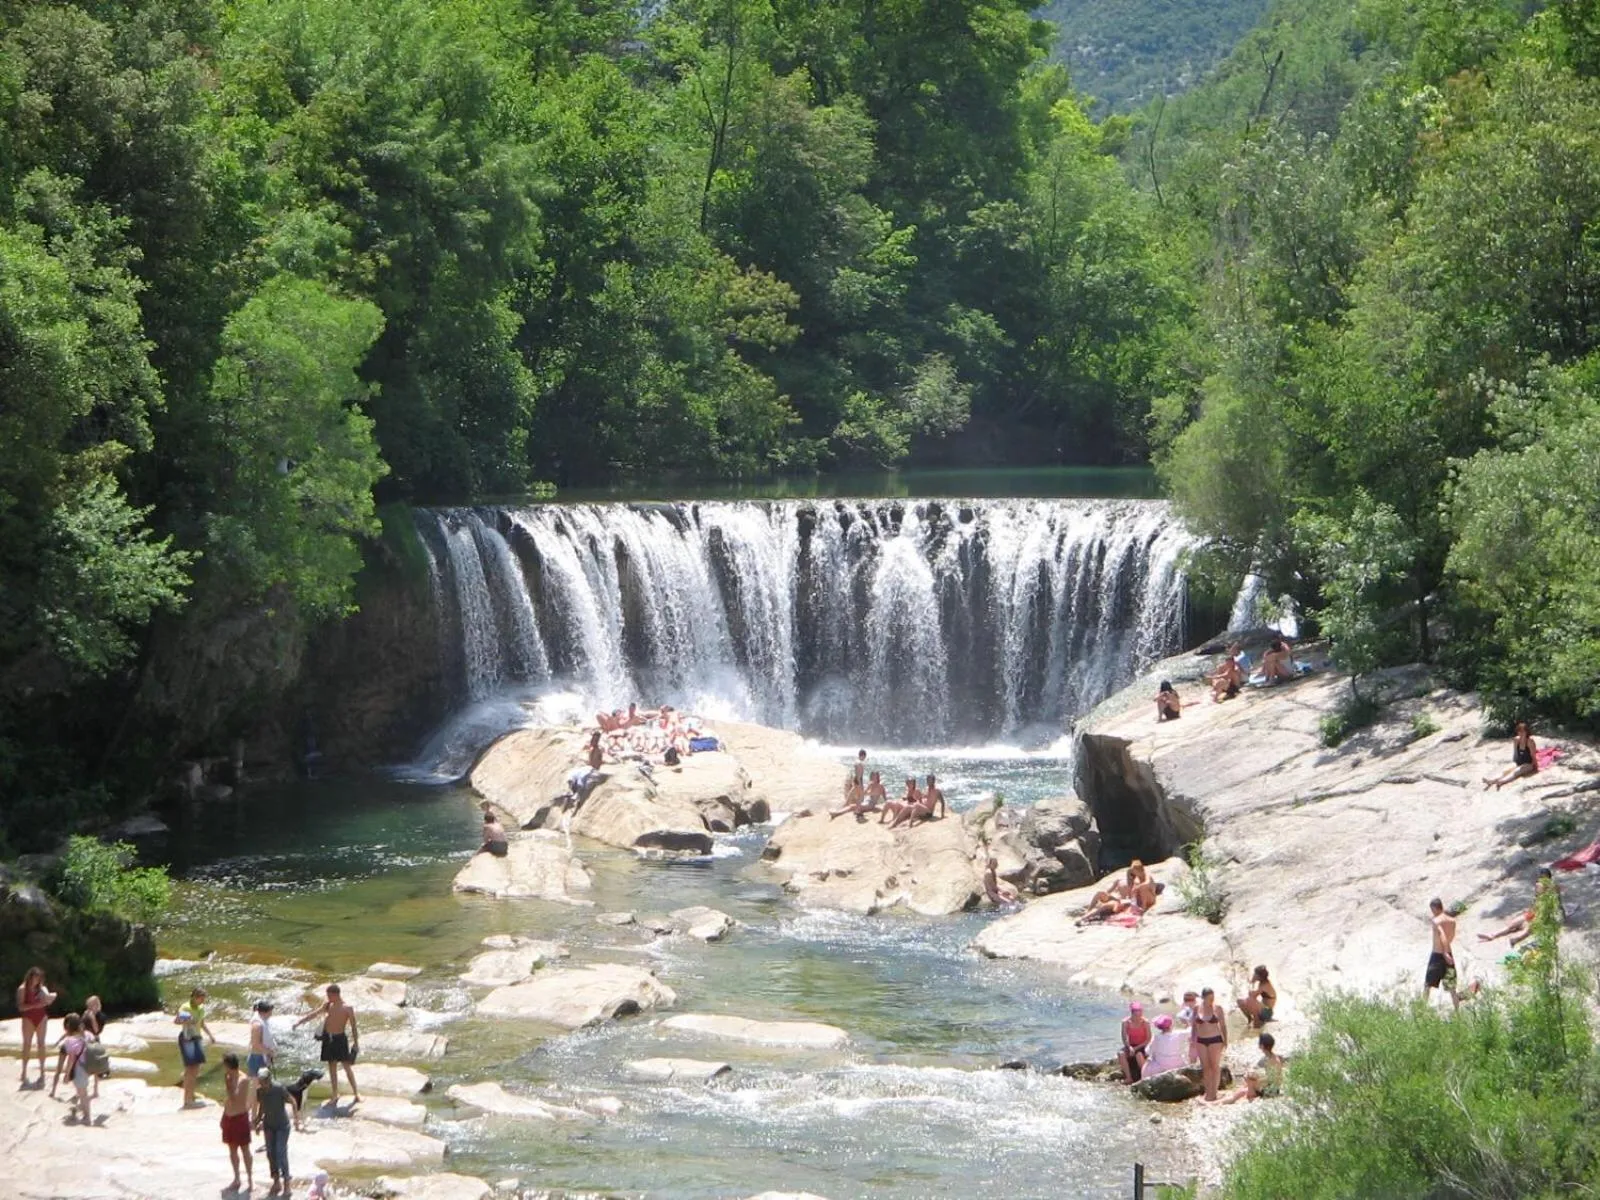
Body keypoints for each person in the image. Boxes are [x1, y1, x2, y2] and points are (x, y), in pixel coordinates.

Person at [296, 983, 360, 1106]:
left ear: (336, 994)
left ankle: (356, 1093)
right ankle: (335, 1095)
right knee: (332, 1068)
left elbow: (354, 1027)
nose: (328, 997)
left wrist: (356, 1043)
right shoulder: (328, 1005)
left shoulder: (347, 1008)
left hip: (340, 1039)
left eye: (329, 995)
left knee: (347, 1067)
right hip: (328, 1039)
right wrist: (300, 1022)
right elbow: (315, 1014)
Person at [1478, 868, 1560, 946]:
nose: (1537, 885)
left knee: (1529, 929)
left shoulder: (1552, 890)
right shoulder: (1539, 888)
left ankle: (1516, 939)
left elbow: (1553, 906)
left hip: (1542, 915)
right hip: (1531, 913)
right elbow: (1535, 903)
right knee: (1512, 924)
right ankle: (1492, 935)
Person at [253, 1067, 293, 1197]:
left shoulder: (279, 1088)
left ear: (269, 1079)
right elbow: (262, 1108)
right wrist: (257, 1121)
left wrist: (297, 1119)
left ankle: (287, 1182)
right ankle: (276, 1181)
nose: (262, 1083)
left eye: (264, 1080)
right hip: (269, 1125)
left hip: (282, 1125)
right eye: (260, 1081)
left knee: (280, 1151)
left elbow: (292, 1101)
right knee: (270, 1153)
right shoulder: (260, 1092)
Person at [16, 966, 56, 1088]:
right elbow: (21, 1007)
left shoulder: (42, 988)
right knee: (27, 1044)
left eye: (39, 978)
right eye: (35, 978)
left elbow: (48, 998)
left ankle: (42, 1072)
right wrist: (35, 1005)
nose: (37, 981)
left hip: (41, 1017)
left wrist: (49, 998)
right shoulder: (23, 989)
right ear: (30, 977)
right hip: (28, 1017)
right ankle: (24, 1071)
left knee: (41, 1044)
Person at [220, 1053, 254, 1194]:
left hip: (239, 1118)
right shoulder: (229, 1077)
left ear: (229, 1065)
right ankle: (237, 1178)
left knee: (245, 1150)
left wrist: (229, 1085)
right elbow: (229, 1101)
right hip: (229, 1117)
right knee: (232, 1150)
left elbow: (234, 1098)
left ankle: (250, 1179)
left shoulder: (243, 1079)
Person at [177, 987, 216, 1108]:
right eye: (201, 998)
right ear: (194, 997)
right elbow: (177, 1021)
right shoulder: (185, 1007)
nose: (202, 1001)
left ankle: (191, 1093)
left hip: (197, 1038)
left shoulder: (201, 1008)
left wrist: (210, 1035)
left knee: (196, 1067)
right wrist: (186, 1020)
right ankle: (187, 1099)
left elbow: (202, 1023)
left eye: (203, 999)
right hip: (187, 1038)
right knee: (190, 1069)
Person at [53, 1013, 92, 1124]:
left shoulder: (70, 1041)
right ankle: (85, 1115)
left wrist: (67, 1074)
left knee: (82, 1093)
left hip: (79, 1069)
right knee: (83, 1092)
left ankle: (87, 1117)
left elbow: (71, 1059)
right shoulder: (88, 1035)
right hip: (88, 1066)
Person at [1191, 987, 1228, 1101]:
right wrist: (1193, 1041)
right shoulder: (1197, 1008)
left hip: (1215, 1039)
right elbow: (1194, 1026)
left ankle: (1214, 1092)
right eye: (1209, 998)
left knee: (1215, 1066)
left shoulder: (1218, 1009)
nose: (1212, 1000)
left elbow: (1223, 1026)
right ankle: (1208, 1092)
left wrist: (1225, 1040)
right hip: (1201, 1040)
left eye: (1213, 998)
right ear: (1203, 998)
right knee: (1205, 1067)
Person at [1425, 897, 1460, 1007]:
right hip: (1449, 955)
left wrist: (1444, 952)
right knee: (1452, 987)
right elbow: (1451, 937)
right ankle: (1458, 1014)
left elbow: (1442, 935)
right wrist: (1447, 951)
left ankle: (1420, 1011)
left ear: (1434, 908)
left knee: (1427, 985)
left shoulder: (1436, 921)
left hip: (1438, 955)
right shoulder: (1452, 921)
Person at [1484, 721, 1539, 790]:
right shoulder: (1516, 740)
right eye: (1519, 731)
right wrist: (1514, 763)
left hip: (1528, 764)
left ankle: (1501, 781)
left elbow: (1533, 755)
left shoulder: (1530, 741)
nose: (1521, 733)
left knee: (1516, 771)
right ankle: (1492, 781)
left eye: (1523, 732)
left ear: (1526, 732)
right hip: (1518, 762)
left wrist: (1536, 767)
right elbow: (1515, 753)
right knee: (1505, 770)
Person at [1117, 1002, 1152, 1083]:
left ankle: (1144, 1077)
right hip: (1131, 1045)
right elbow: (1124, 1037)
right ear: (1132, 1014)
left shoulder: (1145, 1022)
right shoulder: (1125, 1022)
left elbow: (1148, 1039)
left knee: (1139, 1055)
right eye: (1136, 1015)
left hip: (1142, 1045)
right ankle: (1129, 1077)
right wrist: (1129, 1047)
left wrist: (1136, 1048)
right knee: (1121, 1054)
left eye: (1140, 1015)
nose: (1138, 1017)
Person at [247, 999, 277, 1077]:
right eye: (270, 1012)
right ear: (264, 1012)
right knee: (257, 1085)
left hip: (263, 1057)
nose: (271, 1014)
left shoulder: (263, 1020)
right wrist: (269, 1052)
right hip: (257, 1058)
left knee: (265, 1084)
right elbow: (256, 1044)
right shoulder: (257, 1025)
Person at [1256, 1031, 1285, 1096]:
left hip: (1271, 1090)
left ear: (1262, 1046)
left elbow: (1270, 1079)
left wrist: (1258, 1081)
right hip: (1276, 1089)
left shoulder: (1268, 1060)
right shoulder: (1274, 1057)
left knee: (1251, 1083)